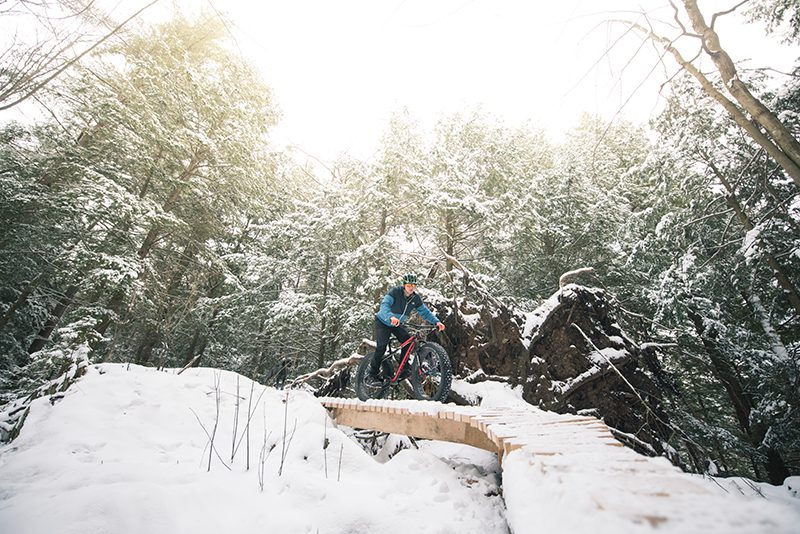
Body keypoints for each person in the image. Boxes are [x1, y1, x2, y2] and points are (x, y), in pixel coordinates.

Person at [368, 273, 445, 384]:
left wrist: (436, 321)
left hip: (397, 324)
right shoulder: (395, 292)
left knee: (408, 341)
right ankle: (372, 375)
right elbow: (384, 306)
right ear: (404, 285)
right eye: (409, 285)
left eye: (413, 285)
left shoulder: (415, 298)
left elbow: (425, 312)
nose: (411, 288)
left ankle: (404, 369)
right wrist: (391, 317)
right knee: (381, 347)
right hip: (383, 322)